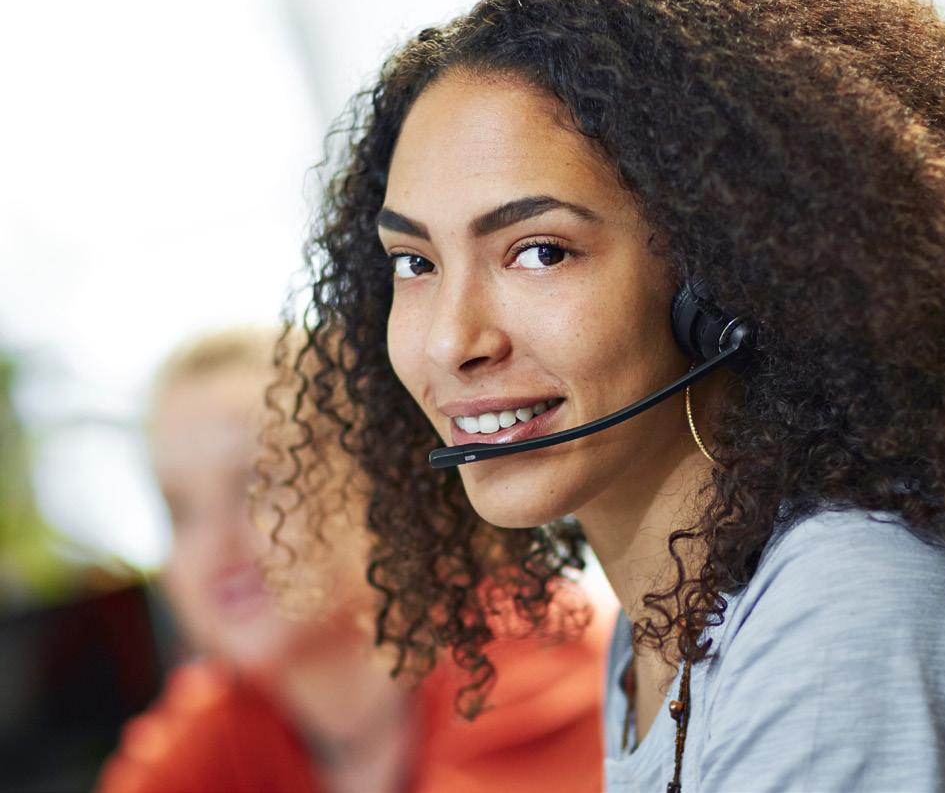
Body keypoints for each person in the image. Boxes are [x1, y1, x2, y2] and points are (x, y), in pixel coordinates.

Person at [273, 0, 945, 791]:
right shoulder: (661, 618)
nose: (452, 340)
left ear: (721, 274)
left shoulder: (837, 603)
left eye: (540, 251)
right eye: (416, 263)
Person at [97, 328, 607, 793]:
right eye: (179, 510)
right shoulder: (221, 716)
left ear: (379, 481)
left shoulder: (531, 647)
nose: (214, 545)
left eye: (259, 482)